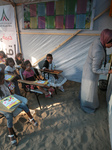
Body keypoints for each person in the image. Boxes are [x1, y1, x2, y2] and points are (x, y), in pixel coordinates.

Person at [0, 68, 38, 146]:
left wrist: (10, 85)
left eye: (3, 78)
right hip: (2, 105)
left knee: (23, 105)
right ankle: (11, 134)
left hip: (10, 100)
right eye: (2, 79)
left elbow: (10, 91)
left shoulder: (4, 84)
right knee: (9, 116)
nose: (3, 80)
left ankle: (31, 119)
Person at [80, 29, 112, 114]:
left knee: (87, 89)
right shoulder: (98, 51)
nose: (111, 46)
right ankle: (88, 106)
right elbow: (95, 69)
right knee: (90, 90)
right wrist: (108, 71)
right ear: (106, 40)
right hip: (91, 72)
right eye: (111, 43)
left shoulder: (99, 41)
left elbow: (100, 58)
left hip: (88, 67)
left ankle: (86, 102)